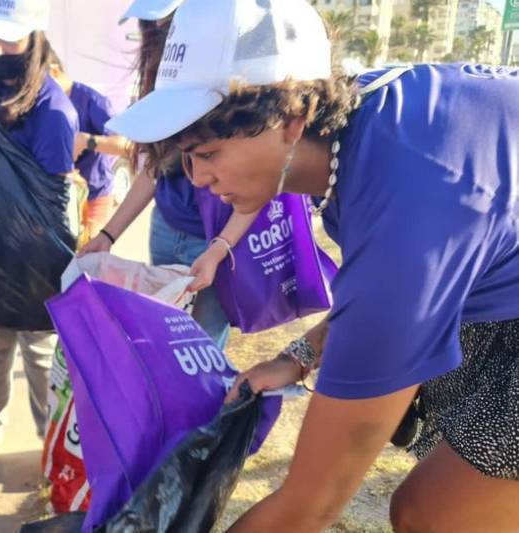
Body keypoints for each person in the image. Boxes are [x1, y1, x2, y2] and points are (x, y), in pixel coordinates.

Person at [109, 0, 519, 531]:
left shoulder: (407, 197)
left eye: (206, 153)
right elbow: (386, 294)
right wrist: (301, 354)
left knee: (432, 514)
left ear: (290, 119)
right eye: (184, 158)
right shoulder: (357, 129)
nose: (197, 179)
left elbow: (308, 505)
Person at [80, 0, 258, 351]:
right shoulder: (162, 78)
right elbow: (154, 166)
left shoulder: (233, 79)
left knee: (200, 353)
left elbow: (257, 188)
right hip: (167, 228)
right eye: (149, 26)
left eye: (163, 24)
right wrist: (108, 234)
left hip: (214, 237)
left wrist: (219, 250)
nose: (155, 35)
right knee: (166, 346)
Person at [0, 0, 78, 476]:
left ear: (35, 40)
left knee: (40, 352)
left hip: (34, 252)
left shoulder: (52, 113)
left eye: (10, 38)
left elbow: (47, 205)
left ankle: (48, 441)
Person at [46, 46, 130, 240]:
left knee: (90, 259)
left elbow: (126, 145)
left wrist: (86, 141)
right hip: (60, 197)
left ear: (54, 71)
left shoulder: (92, 100)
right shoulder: (43, 103)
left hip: (95, 196)